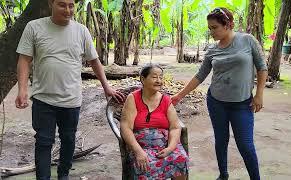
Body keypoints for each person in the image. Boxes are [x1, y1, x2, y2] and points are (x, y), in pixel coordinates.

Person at [15, 0, 124, 179]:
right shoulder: (34, 27)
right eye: (62, 5)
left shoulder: (81, 31)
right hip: (43, 98)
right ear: (51, 3)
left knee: (68, 140)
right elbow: (24, 60)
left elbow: (94, 61)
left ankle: (63, 175)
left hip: (71, 99)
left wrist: (107, 87)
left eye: (71, 5)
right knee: (43, 142)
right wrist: (22, 89)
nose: (68, 10)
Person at [171, 7, 268, 180]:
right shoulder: (212, 50)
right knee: (221, 140)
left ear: (228, 25)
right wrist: (179, 95)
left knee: (245, 145)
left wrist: (259, 94)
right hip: (217, 102)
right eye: (210, 28)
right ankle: (223, 175)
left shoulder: (247, 40)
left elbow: (262, 67)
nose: (212, 32)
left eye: (215, 27)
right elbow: (200, 76)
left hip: (242, 104)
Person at [120, 64, 189, 180]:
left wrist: (170, 148)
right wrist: (138, 151)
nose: (159, 81)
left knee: (180, 158)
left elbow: (175, 127)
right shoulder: (133, 98)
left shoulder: (166, 100)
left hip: (165, 145)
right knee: (144, 165)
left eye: (161, 77)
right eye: (154, 77)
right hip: (142, 146)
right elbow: (125, 127)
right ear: (143, 79)